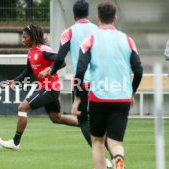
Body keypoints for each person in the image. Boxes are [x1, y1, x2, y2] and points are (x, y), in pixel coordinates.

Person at [39, 0, 112, 167]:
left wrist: (51, 70)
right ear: (88, 13)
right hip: (102, 82)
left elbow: (59, 57)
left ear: (74, 15)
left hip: (82, 82)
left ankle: (104, 160)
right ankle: (116, 154)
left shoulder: (69, 32)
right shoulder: (98, 30)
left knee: (83, 121)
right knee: (101, 121)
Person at [73, 2, 143, 169]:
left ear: (98, 18)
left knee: (97, 140)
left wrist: (77, 99)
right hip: (122, 98)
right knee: (115, 142)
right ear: (115, 18)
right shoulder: (127, 39)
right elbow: (138, 70)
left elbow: (80, 71)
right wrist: (131, 93)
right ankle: (118, 157)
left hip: (98, 97)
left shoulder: (90, 40)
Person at [1, 23, 79, 150]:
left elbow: (62, 62)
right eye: (22, 37)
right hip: (46, 87)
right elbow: (27, 71)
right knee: (56, 118)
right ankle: (86, 125)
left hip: (50, 87)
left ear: (32, 37)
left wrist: (49, 69)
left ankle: (15, 143)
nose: (23, 40)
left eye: (25, 37)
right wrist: (15, 81)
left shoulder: (44, 50)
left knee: (23, 107)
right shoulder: (31, 52)